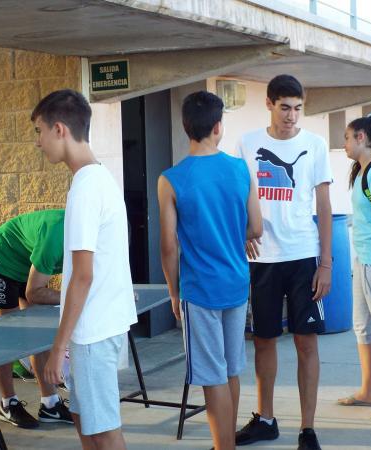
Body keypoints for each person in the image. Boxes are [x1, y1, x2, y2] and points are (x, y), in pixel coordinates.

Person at [32, 89, 137, 450]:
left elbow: (83, 274)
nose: (38, 142)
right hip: (95, 329)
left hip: (91, 333)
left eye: (39, 131)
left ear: (59, 129)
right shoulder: (97, 178)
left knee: (104, 431)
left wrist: (58, 347)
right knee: (87, 425)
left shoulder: (86, 188)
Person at [158, 91, 262, 450]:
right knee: (231, 368)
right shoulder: (240, 168)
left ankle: (223, 446)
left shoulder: (170, 179)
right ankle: (226, 441)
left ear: (186, 127)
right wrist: (236, 235)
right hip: (236, 282)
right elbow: (257, 228)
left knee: (211, 374)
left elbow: (169, 246)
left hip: (199, 289)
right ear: (218, 127)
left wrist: (173, 292)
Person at [235, 75, 333, 450]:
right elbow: (239, 196)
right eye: (285, 107)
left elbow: (323, 205)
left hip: (304, 257)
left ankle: (307, 429)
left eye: (298, 108)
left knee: (307, 344)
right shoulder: (247, 144)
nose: (292, 116)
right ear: (269, 104)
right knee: (263, 341)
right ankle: (266, 418)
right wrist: (244, 230)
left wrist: (326, 263)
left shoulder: (316, 145)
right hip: (262, 259)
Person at [0, 208, 73, 428]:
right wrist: (78, 297)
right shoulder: (56, 237)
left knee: (37, 333)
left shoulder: (88, 238)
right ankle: (7, 404)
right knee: (8, 336)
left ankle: (50, 404)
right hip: (2, 259)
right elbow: (34, 293)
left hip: (29, 265)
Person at [336, 114, 371, 420]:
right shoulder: (361, 171)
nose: (343, 143)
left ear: (362, 137)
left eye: (346, 137)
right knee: (363, 326)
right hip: (364, 259)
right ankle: (369, 391)